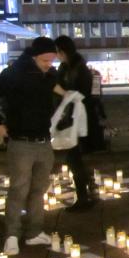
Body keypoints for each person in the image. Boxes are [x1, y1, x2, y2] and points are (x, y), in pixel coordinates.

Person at [0, 37, 59, 255]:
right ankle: (12, 235)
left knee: (39, 189)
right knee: (18, 189)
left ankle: (34, 232)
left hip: (44, 141)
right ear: (34, 57)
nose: (48, 65)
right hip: (21, 141)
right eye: (45, 60)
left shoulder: (49, 75)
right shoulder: (15, 73)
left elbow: (55, 90)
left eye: (52, 60)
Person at [53, 36, 97, 211]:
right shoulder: (64, 68)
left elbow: (83, 94)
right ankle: (87, 192)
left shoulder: (80, 69)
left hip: (76, 118)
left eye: (57, 52)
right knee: (74, 157)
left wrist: (63, 93)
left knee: (74, 157)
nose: (57, 56)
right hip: (68, 117)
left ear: (63, 51)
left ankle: (84, 197)